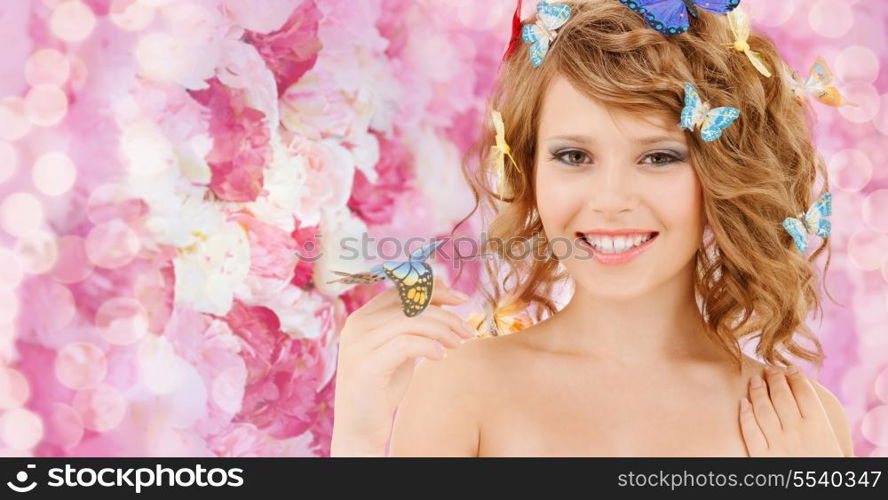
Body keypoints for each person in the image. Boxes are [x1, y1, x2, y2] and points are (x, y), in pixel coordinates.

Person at [329, 0, 854, 457]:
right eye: (575, 156)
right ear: (530, 170)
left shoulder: (800, 423)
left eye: (658, 157)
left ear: (721, 173)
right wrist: (358, 439)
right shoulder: (464, 389)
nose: (610, 201)